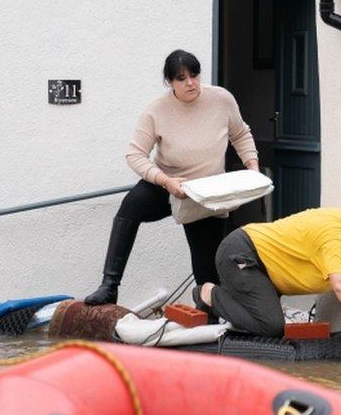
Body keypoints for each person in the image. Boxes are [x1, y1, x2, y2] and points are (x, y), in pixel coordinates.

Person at [84, 49, 259, 305]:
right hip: (169, 183)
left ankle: (211, 317)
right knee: (130, 207)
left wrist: (252, 167)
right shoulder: (157, 110)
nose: (190, 83)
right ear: (169, 82)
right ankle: (109, 285)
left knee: (206, 270)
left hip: (206, 191)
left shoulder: (222, 99)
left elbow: (240, 134)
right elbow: (135, 154)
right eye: (181, 78)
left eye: (194, 75)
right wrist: (165, 181)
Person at [192, 197, 341, 358]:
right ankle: (209, 294)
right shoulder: (337, 233)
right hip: (243, 253)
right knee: (271, 326)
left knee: (268, 321)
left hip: (264, 272)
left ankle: (230, 296)